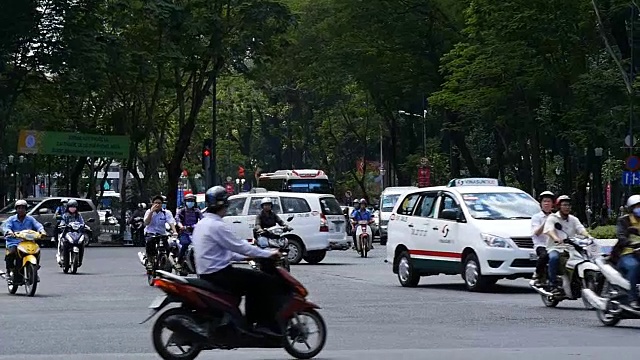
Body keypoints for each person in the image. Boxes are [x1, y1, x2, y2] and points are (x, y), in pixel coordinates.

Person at [192, 186, 284, 337]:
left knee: (252, 280)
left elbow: (224, 253)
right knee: (262, 281)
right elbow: (240, 246)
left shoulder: (202, 224)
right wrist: (267, 254)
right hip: (220, 274)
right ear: (222, 205)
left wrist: (247, 256)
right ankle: (258, 325)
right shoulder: (217, 226)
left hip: (208, 273)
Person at [543, 195, 593, 292]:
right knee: (554, 258)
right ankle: (552, 283)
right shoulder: (552, 218)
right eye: (564, 205)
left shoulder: (573, 219)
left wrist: (588, 236)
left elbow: (581, 229)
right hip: (556, 247)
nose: (567, 207)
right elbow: (549, 230)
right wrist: (556, 238)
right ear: (559, 207)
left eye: (569, 205)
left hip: (571, 248)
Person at [2, 200, 46, 283]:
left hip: (28, 242)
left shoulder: (30, 219)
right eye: (19, 208)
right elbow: (6, 227)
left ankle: (34, 271)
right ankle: (9, 270)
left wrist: (42, 231)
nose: (21, 210)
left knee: (36, 251)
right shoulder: (11, 219)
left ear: (26, 209)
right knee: (12, 253)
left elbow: (38, 225)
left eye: (23, 208)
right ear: (16, 209)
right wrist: (9, 232)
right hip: (14, 242)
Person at [610, 195, 640, 309]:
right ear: (631, 208)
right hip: (626, 254)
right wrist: (631, 244)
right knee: (635, 267)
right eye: (638, 206)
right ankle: (632, 299)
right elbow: (621, 236)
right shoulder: (624, 221)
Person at [142, 195, 177, 272]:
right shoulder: (148, 212)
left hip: (162, 233)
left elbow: (171, 222)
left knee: (167, 248)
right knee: (150, 244)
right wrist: (151, 212)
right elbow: (146, 223)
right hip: (150, 233)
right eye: (155, 203)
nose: (157, 205)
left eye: (159, 203)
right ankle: (150, 261)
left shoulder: (166, 213)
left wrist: (174, 231)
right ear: (152, 203)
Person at [530, 191, 555, 285]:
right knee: (544, 255)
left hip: (554, 244)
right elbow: (536, 233)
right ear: (541, 203)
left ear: (552, 204)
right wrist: (546, 221)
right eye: (544, 201)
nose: (546, 203)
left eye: (549, 201)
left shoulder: (556, 217)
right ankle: (537, 273)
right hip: (541, 245)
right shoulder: (536, 217)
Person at [175, 194, 203, 268]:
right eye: (188, 201)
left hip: (195, 232)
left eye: (191, 201)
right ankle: (179, 261)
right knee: (185, 244)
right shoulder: (182, 211)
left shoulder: (197, 211)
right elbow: (177, 219)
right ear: (185, 202)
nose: (190, 202)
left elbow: (202, 219)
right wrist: (181, 226)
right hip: (184, 232)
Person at [57, 199, 86, 267]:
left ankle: (80, 260)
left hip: (77, 233)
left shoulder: (78, 215)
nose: (72, 209)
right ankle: (61, 257)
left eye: (74, 207)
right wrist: (62, 225)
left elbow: (82, 223)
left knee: (82, 243)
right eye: (71, 207)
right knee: (62, 241)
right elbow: (62, 222)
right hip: (67, 233)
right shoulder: (65, 215)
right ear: (68, 207)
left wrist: (83, 226)